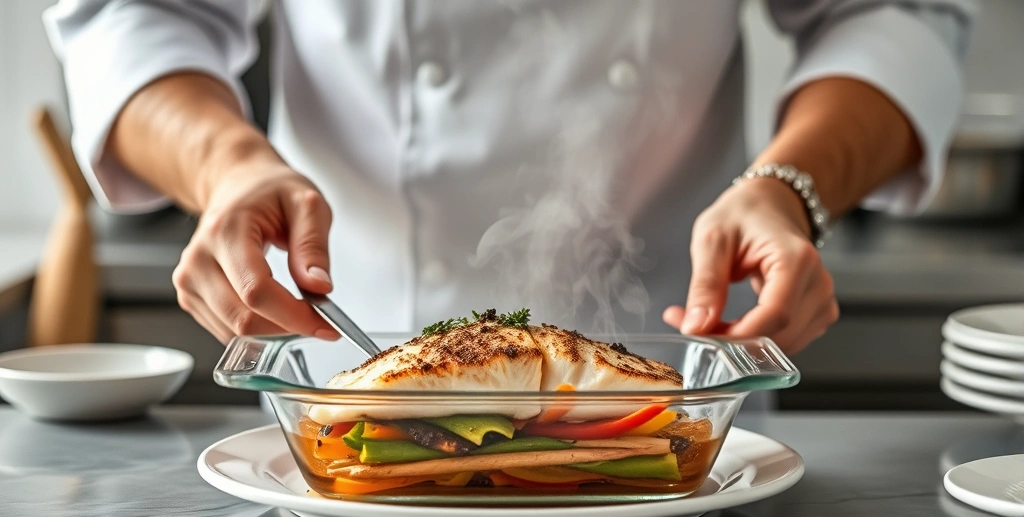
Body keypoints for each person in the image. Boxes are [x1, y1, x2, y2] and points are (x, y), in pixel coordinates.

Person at [44, 1, 971, 354]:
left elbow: (897, 13)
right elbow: (137, 14)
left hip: (669, 361)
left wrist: (787, 189)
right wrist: (228, 163)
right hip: (351, 349)